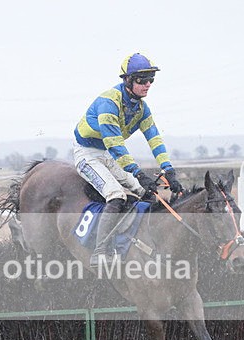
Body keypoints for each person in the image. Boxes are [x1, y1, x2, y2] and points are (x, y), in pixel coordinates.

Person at [73, 52, 183, 267]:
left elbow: (154, 138)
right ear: (128, 80)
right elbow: (115, 144)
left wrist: (169, 169)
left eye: (151, 79)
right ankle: (100, 251)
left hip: (107, 154)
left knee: (148, 194)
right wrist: (138, 173)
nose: (148, 84)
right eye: (142, 80)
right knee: (116, 195)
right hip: (88, 154)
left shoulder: (142, 108)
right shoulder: (108, 103)